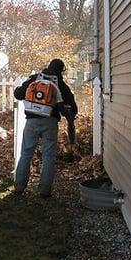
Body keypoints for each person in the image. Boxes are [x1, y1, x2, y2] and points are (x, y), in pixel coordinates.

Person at [13, 58, 78, 197]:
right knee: (48, 156)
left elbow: (18, 94)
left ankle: (19, 187)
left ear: (48, 67)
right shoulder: (60, 84)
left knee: (26, 153)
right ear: (61, 71)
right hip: (50, 123)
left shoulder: (35, 79)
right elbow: (74, 108)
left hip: (31, 122)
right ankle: (44, 191)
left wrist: (22, 89)